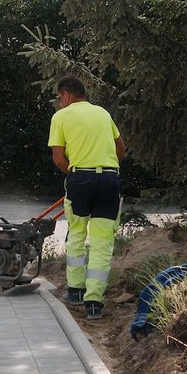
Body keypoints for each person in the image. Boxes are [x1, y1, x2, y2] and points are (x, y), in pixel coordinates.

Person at [47, 75, 126, 320]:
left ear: (66, 95)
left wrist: (75, 174)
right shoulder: (103, 113)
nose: (60, 102)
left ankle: (75, 292)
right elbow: (121, 149)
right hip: (109, 180)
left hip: (80, 179)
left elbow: (58, 158)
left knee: (77, 234)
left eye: (60, 98)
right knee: (102, 241)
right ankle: (94, 304)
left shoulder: (61, 116)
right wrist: (105, 167)